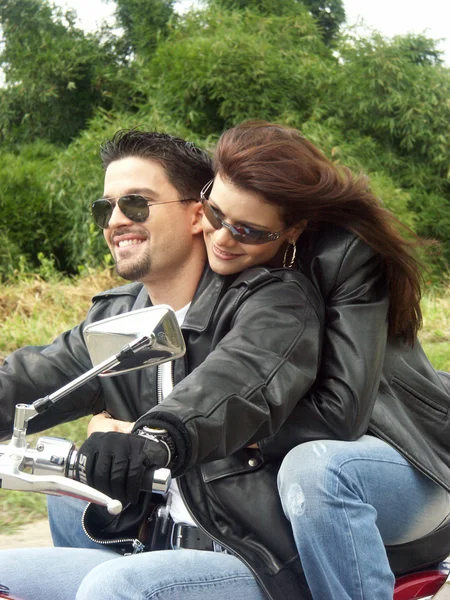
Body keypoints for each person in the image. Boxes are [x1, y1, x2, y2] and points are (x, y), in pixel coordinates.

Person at [65, 119, 450, 600]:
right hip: (312, 460)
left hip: (400, 453)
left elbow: (342, 416)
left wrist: (160, 435)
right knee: (75, 488)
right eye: (216, 214)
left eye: (247, 230)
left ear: (294, 229)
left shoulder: (346, 257)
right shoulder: (227, 269)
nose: (223, 238)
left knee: (316, 471)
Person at [0, 128, 322, 600]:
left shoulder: (271, 303)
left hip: (253, 557)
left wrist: (149, 439)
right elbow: (32, 378)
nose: (114, 221)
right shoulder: (119, 317)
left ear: (199, 214)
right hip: (157, 546)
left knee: (115, 588)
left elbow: (233, 384)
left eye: (136, 204)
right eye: (104, 207)